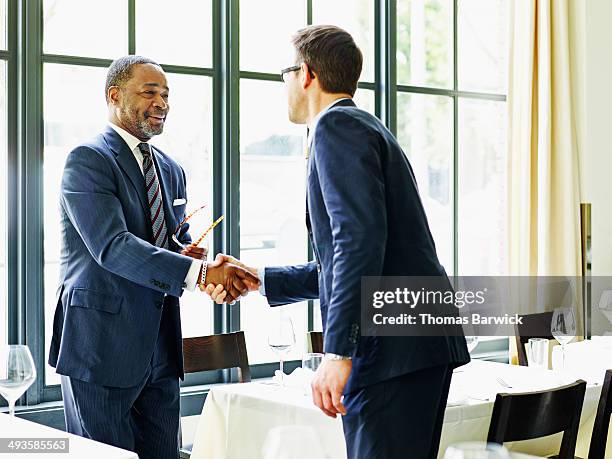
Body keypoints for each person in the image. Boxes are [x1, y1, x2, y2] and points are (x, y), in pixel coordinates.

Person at [206, 26, 470, 459]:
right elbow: (359, 252)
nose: (284, 85)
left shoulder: (335, 128)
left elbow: (358, 244)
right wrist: (262, 278)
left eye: (285, 73)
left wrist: (338, 352)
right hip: (415, 338)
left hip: (390, 349)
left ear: (306, 73)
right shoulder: (365, 127)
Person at [48, 55, 258, 459]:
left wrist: (185, 250)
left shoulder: (172, 169)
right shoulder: (88, 160)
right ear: (114, 96)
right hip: (100, 349)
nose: (162, 102)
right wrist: (198, 272)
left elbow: (167, 241)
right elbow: (112, 246)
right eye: (150, 92)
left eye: (166, 94)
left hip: (161, 348)